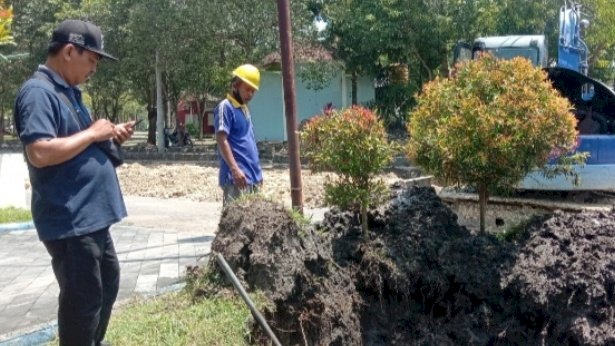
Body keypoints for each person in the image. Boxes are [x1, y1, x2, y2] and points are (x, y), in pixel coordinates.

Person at [13, 19, 135, 346]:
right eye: (91, 60)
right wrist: (94, 132)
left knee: (105, 286)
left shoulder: (68, 93)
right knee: (83, 301)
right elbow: (39, 151)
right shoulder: (38, 93)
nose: (94, 68)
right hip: (71, 218)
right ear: (70, 51)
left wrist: (109, 136)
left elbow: (80, 143)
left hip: (90, 217)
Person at [214, 64, 263, 205]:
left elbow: (250, 142)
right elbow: (221, 139)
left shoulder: (244, 110)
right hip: (236, 179)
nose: (250, 94)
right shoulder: (226, 107)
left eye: (253, 91)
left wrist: (258, 174)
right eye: (247, 89)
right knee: (236, 224)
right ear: (235, 86)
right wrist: (235, 170)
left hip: (252, 178)